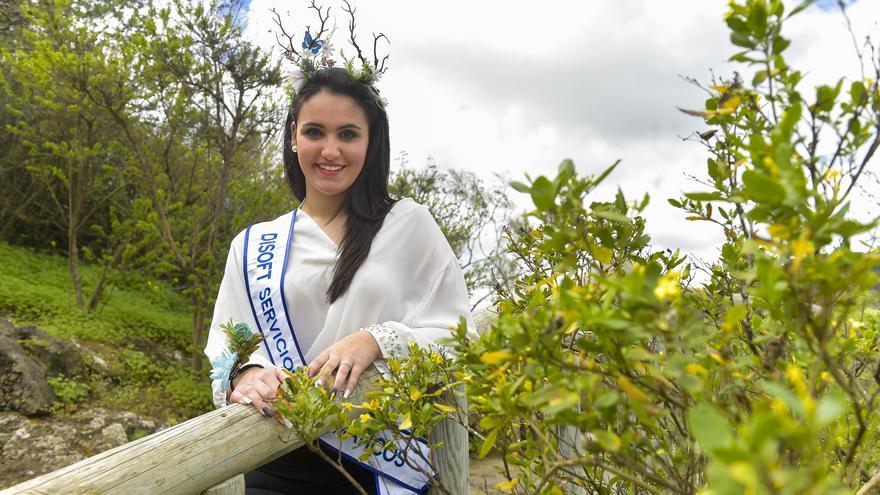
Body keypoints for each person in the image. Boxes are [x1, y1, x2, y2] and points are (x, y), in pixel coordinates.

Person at [204, 66, 475, 495]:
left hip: (384, 463)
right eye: (315, 132)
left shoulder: (407, 225)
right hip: (274, 459)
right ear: (294, 136)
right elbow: (228, 342)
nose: (330, 150)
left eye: (348, 134)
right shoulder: (254, 244)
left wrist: (376, 339)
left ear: (370, 143)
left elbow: (460, 337)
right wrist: (246, 374)